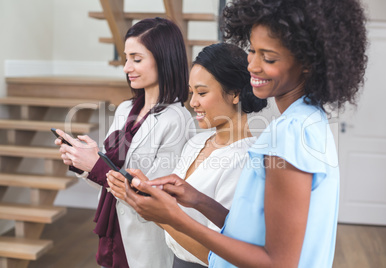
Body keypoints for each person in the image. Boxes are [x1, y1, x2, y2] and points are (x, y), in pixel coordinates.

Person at [116, 0, 368, 267]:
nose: (253, 67)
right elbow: (254, 232)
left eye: (268, 58)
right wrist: (199, 200)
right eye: (252, 51)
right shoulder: (308, 121)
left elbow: (277, 262)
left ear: (308, 63)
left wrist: (171, 218)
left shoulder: (289, 135)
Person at [107, 42, 267, 268]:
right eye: (191, 93)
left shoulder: (245, 160)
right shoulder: (196, 142)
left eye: (201, 93)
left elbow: (224, 255)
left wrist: (161, 216)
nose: (192, 103)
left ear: (235, 94)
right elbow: (177, 207)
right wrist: (147, 191)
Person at [54, 17, 195, 268]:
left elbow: (154, 196)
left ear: (163, 60)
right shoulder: (125, 109)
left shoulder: (177, 120)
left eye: (136, 59)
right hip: (113, 235)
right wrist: (83, 162)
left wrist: (97, 164)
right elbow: (107, 182)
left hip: (144, 243)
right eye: (126, 58)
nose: (126, 67)